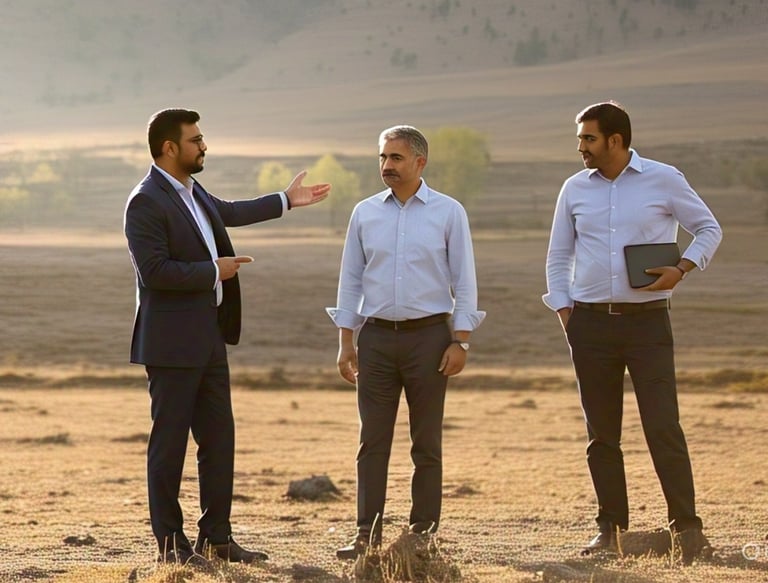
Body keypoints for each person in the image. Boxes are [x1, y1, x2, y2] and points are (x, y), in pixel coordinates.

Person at [124, 108, 330, 566]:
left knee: (219, 442)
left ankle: (216, 539)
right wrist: (212, 271)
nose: (204, 146)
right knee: (169, 449)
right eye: (195, 140)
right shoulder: (145, 201)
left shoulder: (192, 192)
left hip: (209, 339)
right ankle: (171, 547)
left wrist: (286, 200)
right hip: (171, 346)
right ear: (169, 148)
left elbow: (231, 211)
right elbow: (154, 272)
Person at [542, 101, 722, 564]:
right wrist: (564, 310)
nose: (581, 148)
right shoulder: (573, 188)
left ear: (616, 140)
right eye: (580, 139)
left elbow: (708, 228)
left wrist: (682, 267)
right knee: (602, 435)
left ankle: (687, 530)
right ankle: (610, 531)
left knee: (663, 426)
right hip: (589, 325)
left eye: (588, 138)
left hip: (647, 324)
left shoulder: (664, 179)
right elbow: (558, 255)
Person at [326, 125, 485, 560]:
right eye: (382, 157)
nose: (386, 165)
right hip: (376, 339)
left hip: (430, 340)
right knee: (371, 441)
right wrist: (346, 341)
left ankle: (421, 536)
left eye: (395, 158)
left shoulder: (449, 212)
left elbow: (464, 280)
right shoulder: (364, 213)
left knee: (426, 442)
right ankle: (367, 535)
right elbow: (350, 280)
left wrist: (461, 341)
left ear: (420, 161)